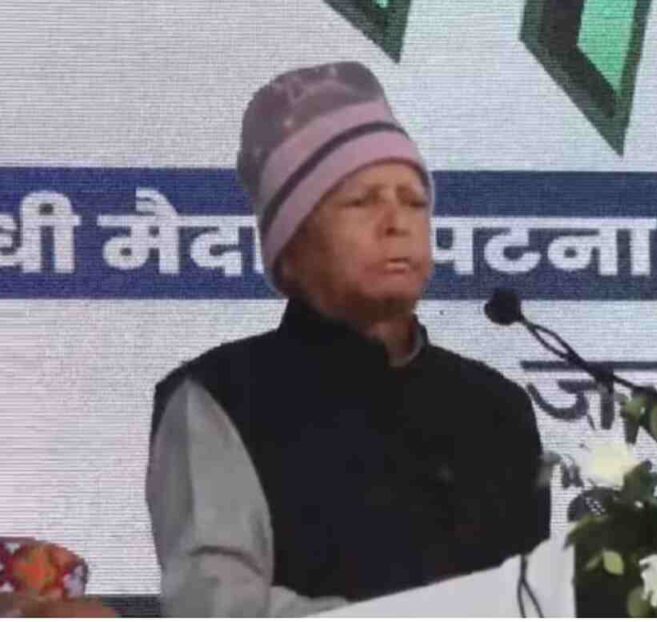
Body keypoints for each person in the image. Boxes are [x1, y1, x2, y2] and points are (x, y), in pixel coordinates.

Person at [145, 62, 551, 617]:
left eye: (414, 202)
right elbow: (216, 606)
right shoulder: (218, 398)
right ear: (292, 245)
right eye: (361, 201)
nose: (397, 222)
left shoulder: (496, 408)